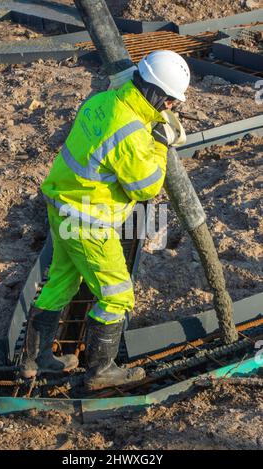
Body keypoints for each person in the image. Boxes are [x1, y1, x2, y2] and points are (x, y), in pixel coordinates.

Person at [20, 50, 190, 390]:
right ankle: (100, 371)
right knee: (117, 295)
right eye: (170, 101)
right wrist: (160, 145)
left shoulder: (104, 101)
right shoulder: (129, 132)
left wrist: (152, 128)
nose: (170, 107)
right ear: (156, 93)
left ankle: (34, 361)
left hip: (62, 205)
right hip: (88, 221)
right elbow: (145, 188)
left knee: (61, 282)